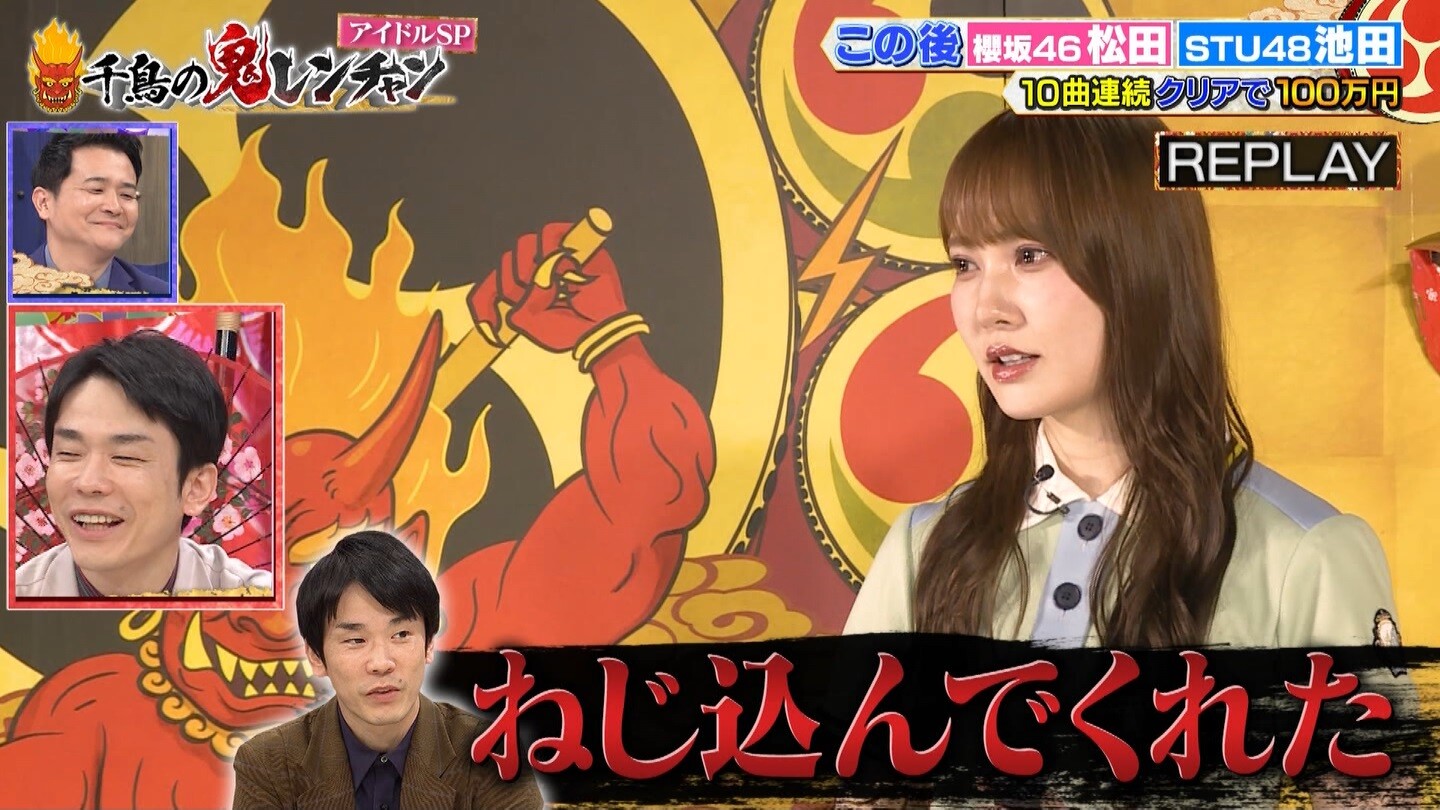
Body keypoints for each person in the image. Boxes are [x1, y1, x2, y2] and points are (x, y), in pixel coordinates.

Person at [844, 112, 1403, 652]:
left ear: (1140, 265)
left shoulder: (1306, 556)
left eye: (1029, 256)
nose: (986, 308)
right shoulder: (924, 551)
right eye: (965, 264)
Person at [231, 530, 544, 809]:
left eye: (401, 634)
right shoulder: (268, 764)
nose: (381, 663)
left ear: (429, 644)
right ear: (316, 656)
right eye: (355, 640)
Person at [14, 329, 272, 597]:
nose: (88, 482)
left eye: (125, 457)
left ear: (196, 487)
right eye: (69, 453)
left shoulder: (261, 604)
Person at [21, 131, 170, 294]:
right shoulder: (11, 285)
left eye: (127, 195)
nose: (114, 207)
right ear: (44, 203)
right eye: (96, 190)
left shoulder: (160, 296)